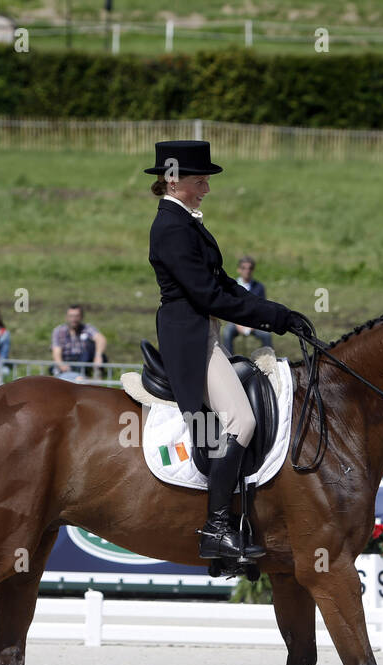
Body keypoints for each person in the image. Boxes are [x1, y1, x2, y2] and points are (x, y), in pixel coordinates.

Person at [144, 140, 306, 561]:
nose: (207, 189)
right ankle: (216, 527)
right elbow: (207, 294)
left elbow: (225, 284)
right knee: (242, 419)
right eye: (201, 181)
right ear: (175, 181)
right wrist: (272, 318)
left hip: (206, 331)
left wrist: (279, 314)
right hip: (192, 337)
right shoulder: (170, 227)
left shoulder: (188, 222)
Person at [221, 256, 273, 355]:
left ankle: (270, 359)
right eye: (244, 268)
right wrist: (238, 324)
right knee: (227, 332)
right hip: (237, 321)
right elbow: (231, 308)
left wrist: (253, 324)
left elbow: (261, 308)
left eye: (250, 268)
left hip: (254, 322)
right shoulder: (232, 285)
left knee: (266, 335)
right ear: (239, 269)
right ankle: (229, 359)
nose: (247, 271)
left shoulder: (259, 287)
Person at [51, 305, 107, 380]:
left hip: (84, 360)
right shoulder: (59, 331)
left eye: (76, 316)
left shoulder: (87, 328)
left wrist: (98, 355)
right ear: (66, 317)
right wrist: (61, 364)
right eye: (71, 316)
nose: (73, 319)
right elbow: (56, 351)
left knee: (93, 348)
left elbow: (101, 339)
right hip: (67, 361)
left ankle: (95, 377)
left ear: (81, 317)